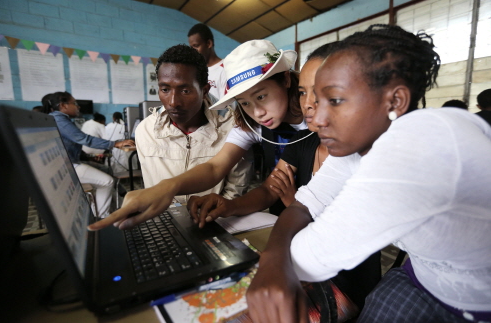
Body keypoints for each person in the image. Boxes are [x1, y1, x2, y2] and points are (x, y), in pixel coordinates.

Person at [245, 24, 491, 323]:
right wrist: (273, 259)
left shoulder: (419, 154)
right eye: (313, 99)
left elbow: (316, 255)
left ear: (395, 101)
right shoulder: (360, 146)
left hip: (477, 303)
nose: (318, 117)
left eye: (334, 100)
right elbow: (303, 205)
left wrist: (273, 262)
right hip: (422, 275)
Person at [187, 44, 381, 319]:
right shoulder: (304, 144)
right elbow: (270, 189)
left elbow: (347, 230)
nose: (310, 105)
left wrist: (292, 201)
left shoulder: (363, 155)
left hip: (343, 279)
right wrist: (230, 207)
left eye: (329, 94)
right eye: (304, 93)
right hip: (301, 256)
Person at [88, 39, 307, 231]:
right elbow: (220, 169)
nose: (258, 112)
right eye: (245, 103)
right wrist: (169, 187)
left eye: (261, 96)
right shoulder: (249, 123)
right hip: (289, 213)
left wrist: (296, 205)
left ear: (286, 80)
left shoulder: (317, 122)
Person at [134, 44, 252, 204]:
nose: (173, 102)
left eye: (185, 91)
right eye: (165, 89)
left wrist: (214, 212)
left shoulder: (232, 129)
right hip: (163, 221)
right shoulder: (146, 131)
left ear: (204, 90)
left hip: (214, 221)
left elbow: (234, 192)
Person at [42, 92, 135, 218]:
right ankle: (101, 217)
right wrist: (116, 143)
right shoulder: (59, 119)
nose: (78, 106)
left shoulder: (58, 118)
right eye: (74, 103)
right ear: (63, 105)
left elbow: (70, 144)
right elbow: (85, 140)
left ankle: (119, 205)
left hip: (70, 161)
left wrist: (88, 156)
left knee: (106, 170)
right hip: (68, 166)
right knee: (107, 181)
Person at [188, 23, 227, 101]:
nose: (193, 51)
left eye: (196, 46)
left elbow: (228, 107)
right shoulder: (196, 71)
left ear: (209, 43)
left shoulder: (225, 68)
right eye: (191, 47)